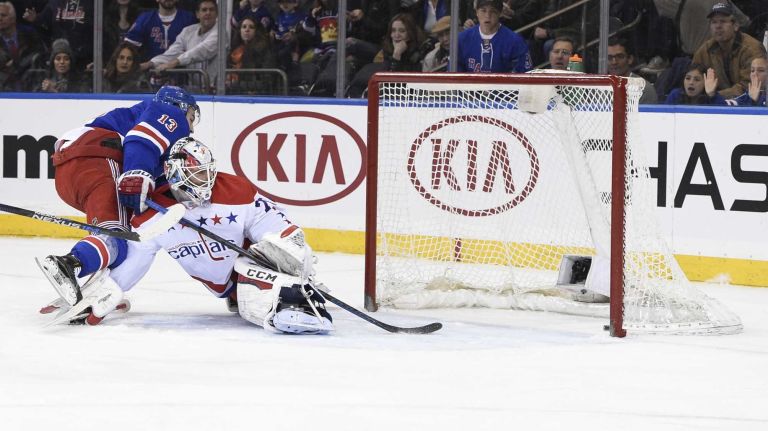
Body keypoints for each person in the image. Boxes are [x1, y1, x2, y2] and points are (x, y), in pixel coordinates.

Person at [40, 138, 334, 335]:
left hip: (252, 271)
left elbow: (277, 227)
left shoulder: (236, 191)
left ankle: (291, 296)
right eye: (196, 176)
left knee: (257, 266)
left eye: (208, 174)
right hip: (227, 287)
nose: (205, 183)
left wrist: (291, 249)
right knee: (242, 285)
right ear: (175, 174)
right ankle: (267, 298)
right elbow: (134, 262)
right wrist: (101, 297)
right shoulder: (151, 215)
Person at [36, 85, 199, 309]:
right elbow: (143, 139)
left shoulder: (141, 119)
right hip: (99, 160)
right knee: (116, 237)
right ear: (179, 107)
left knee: (116, 237)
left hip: (74, 172)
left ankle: (98, 288)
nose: (191, 127)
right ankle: (69, 265)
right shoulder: (169, 113)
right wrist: (136, 172)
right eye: (192, 116)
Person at [691, 2, 766, 98]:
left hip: (748, 105)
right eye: (714, 22)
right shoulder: (706, 49)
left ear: (735, 26)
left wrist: (714, 97)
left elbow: (750, 86)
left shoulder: (752, 49)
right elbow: (693, 75)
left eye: (723, 21)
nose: (718, 26)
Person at [142, 0, 219, 89]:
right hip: (194, 90)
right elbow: (173, 52)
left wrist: (175, 62)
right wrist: (150, 63)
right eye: (204, 10)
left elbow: (201, 51)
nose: (208, 13)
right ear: (197, 14)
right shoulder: (188, 31)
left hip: (216, 90)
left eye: (211, 10)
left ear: (217, 14)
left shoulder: (221, 33)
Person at [457, 0, 531, 73]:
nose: (487, 16)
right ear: (476, 12)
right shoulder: (462, 39)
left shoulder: (515, 41)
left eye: (493, 11)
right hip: (471, 84)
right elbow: (455, 73)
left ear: (500, 13)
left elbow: (524, 74)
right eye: (483, 11)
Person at [124, 0, 197, 63]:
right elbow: (128, 47)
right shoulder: (145, 19)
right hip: (150, 72)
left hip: (182, 72)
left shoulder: (189, 19)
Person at [0, 1, 45, 91]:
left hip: (30, 86)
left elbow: (39, 58)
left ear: (13, 18)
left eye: (3, 15)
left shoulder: (30, 35)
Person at [226, 16, 277, 94]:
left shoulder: (264, 50)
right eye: (244, 27)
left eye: (251, 27)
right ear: (240, 31)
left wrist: (236, 85)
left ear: (256, 31)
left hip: (255, 94)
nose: (247, 30)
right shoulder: (234, 51)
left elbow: (267, 81)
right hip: (233, 92)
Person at [607, 37, 658, 104]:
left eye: (620, 57)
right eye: (609, 58)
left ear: (630, 59)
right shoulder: (597, 88)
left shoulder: (644, 89)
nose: (614, 62)